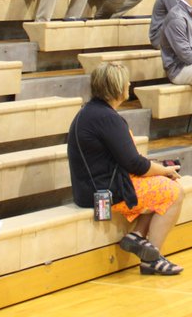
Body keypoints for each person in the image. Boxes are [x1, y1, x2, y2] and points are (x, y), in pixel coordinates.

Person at [66, 62, 185, 276]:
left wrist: (159, 171)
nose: (129, 84)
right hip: (103, 192)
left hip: (91, 187)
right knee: (174, 192)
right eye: (126, 82)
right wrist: (164, 170)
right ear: (117, 87)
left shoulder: (90, 112)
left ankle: (137, 236)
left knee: (159, 184)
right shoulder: (107, 118)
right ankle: (152, 259)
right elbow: (135, 164)